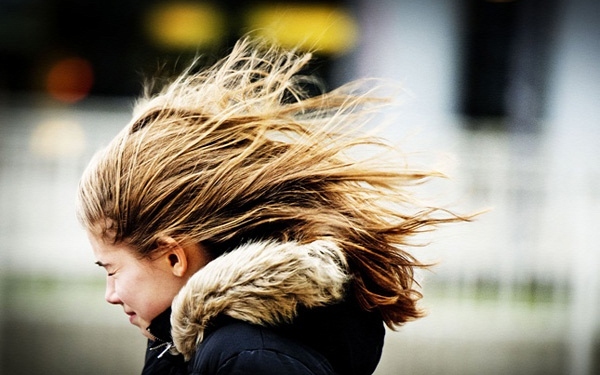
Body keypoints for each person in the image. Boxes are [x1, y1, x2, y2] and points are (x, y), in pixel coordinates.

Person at [76, 38, 470, 375]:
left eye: (112, 270)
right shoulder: (199, 341)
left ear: (174, 256)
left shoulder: (249, 358)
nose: (110, 294)